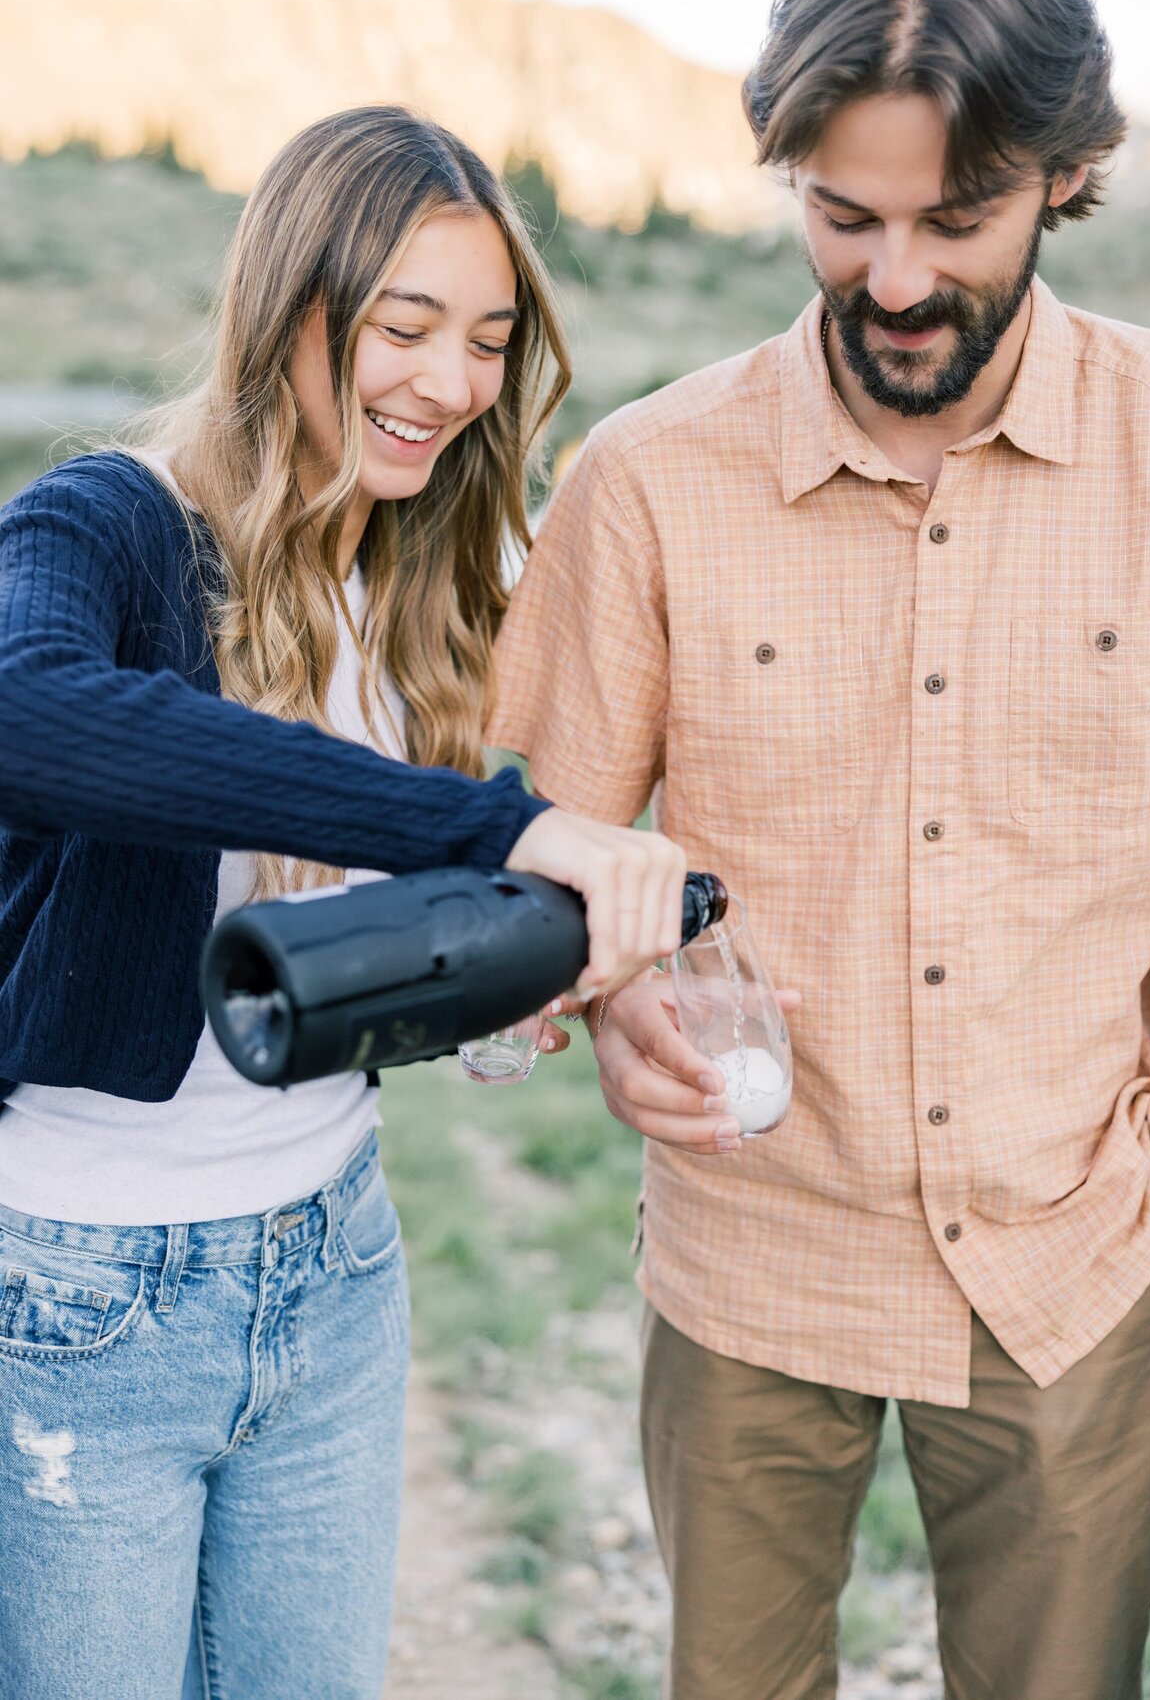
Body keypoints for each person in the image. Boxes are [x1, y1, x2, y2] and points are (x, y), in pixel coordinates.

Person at [491, 0, 1150, 1695]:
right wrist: (600, 999)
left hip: (1074, 1250)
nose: (892, 279)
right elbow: (538, 840)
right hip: (753, 1265)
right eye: (841, 216)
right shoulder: (645, 480)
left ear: (1064, 178)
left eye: (955, 222)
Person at [0, 105, 685, 1700]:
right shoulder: (104, 523)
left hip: (334, 1262)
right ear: (289, 309)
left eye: (490, 340)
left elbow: (313, 959)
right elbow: (31, 718)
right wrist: (490, 831)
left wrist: (514, 976)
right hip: (85, 1294)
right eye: (407, 326)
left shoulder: (422, 564)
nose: (452, 384)